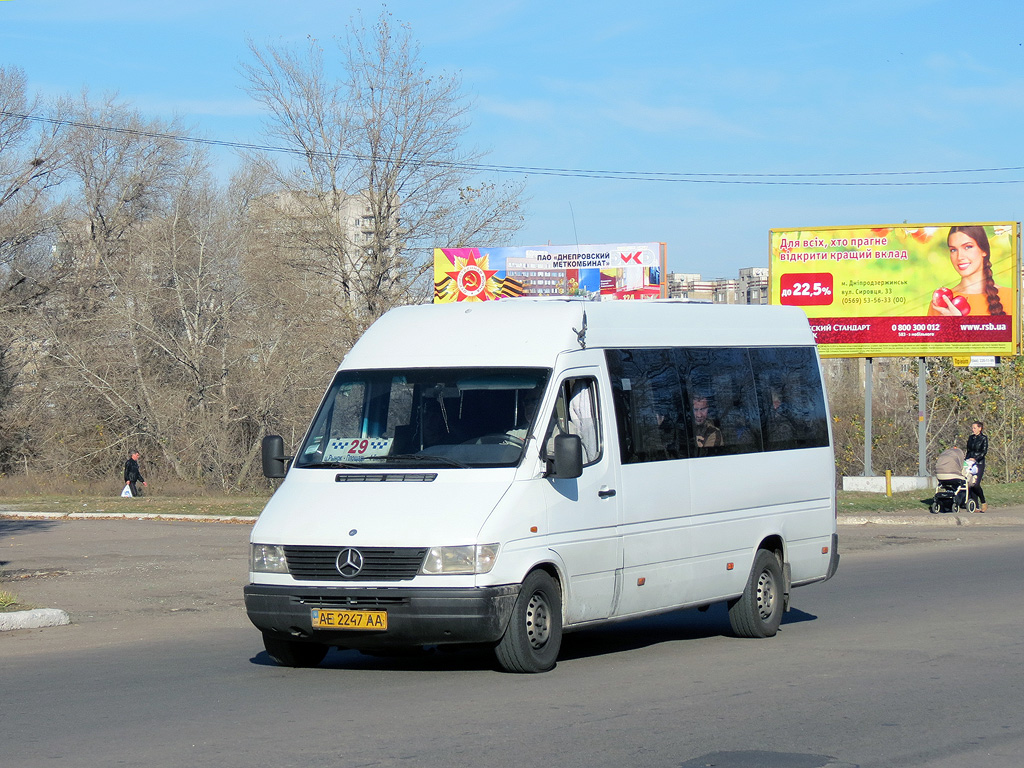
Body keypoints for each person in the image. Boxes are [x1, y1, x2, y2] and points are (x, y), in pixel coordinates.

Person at [929, 226, 1010, 317]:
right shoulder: (941, 303)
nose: (960, 257)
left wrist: (957, 323)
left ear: (984, 250)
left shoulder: (1010, 296)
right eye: (953, 250)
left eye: (968, 247)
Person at [965, 420, 988, 512]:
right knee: (970, 483)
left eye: (975, 428)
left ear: (980, 428)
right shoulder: (971, 438)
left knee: (976, 484)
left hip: (979, 463)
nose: (973, 429)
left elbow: (984, 451)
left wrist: (975, 458)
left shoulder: (983, 438)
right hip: (969, 463)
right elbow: (968, 450)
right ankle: (975, 505)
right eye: (972, 428)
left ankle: (983, 501)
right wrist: (966, 460)